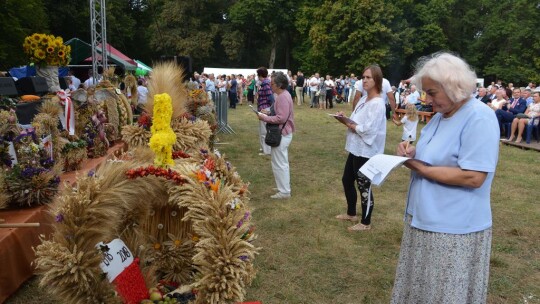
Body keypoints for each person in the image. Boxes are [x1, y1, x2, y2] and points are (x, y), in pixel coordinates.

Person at [392, 52, 499, 303]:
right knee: (423, 290)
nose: (426, 99)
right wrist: (410, 150)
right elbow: (434, 152)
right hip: (425, 219)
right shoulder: (441, 115)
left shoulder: (479, 117)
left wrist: (421, 168)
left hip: (452, 229)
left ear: (454, 87)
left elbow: (474, 177)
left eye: (432, 93)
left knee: (443, 293)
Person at [335, 65, 386, 231]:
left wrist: (352, 126)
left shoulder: (378, 103)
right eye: (363, 77)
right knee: (347, 180)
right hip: (356, 148)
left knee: (364, 185)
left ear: (377, 80)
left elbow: (369, 130)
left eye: (368, 77)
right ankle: (351, 213)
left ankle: (366, 222)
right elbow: (356, 120)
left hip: (366, 151)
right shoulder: (364, 99)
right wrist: (345, 120)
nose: (364, 80)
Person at [256, 72, 295, 199]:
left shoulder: (283, 97)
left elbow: (281, 118)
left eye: (272, 83)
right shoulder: (282, 95)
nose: (270, 85)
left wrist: (265, 118)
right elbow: (278, 112)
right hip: (283, 134)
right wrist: (267, 111)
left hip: (281, 134)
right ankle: (282, 186)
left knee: (280, 163)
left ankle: (284, 191)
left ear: (279, 85)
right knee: (280, 162)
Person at [256, 67, 274, 156]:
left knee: (264, 131)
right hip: (263, 108)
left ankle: (266, 151)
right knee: (263, 130)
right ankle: (264, 148)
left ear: (260, 75)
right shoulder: (265, 83)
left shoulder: (266, 84)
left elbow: (270, 98)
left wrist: (270, 109)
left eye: (258, 75)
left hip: (265, 109)